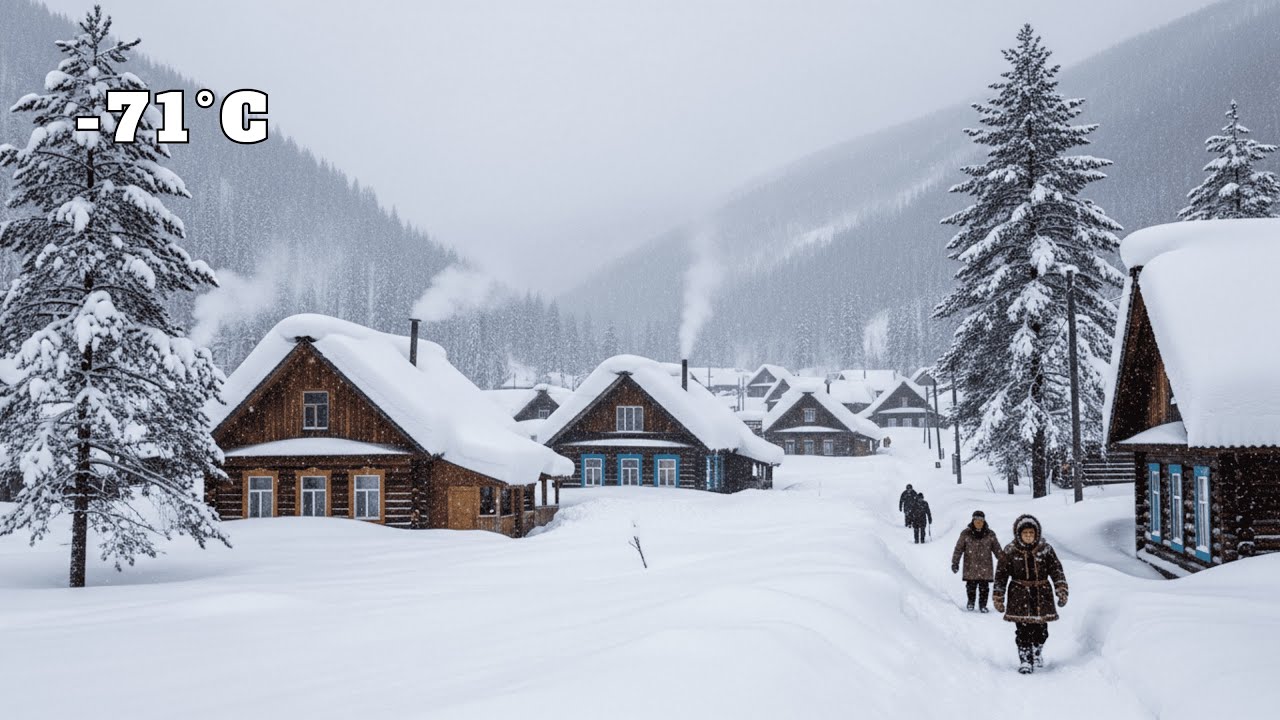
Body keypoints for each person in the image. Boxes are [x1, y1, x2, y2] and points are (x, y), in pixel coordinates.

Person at [992, 514, 1068, 674]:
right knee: (1023, 631)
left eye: (1031, 533)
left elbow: (1056, 570)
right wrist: (999, 596)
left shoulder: (1045, 550)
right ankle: (1025, 659)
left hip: (1042, 594)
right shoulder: (1010, 550)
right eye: (1025, 533)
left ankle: (1037, 650)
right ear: (1019, 534)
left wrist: (1061, 589)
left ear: (1036, 534)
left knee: (1042, 631)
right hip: (1019, 595)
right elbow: (1001, 575)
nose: (1028, 536)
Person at [951, 510, 1001, 612]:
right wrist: (955, 562)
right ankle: (971, 602)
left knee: (984, 587)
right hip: (971, 565)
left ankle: (983, 605)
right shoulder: (966, 533)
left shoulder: (990, 534)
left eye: (981, 520)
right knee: (971, 586)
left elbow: (997, 549)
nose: (979, 522)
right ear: (973, 520)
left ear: (984, 521)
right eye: (977, 520)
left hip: (985, 566)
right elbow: (958, 549)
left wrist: (1004, 561)